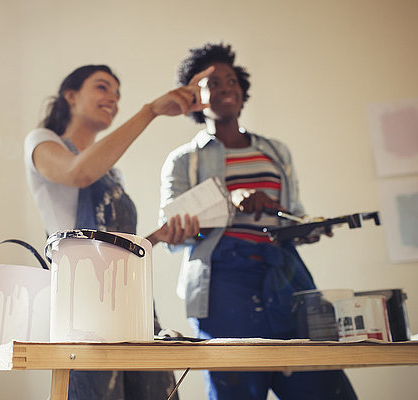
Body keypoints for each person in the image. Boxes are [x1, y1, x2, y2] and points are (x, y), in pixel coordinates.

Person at [159, 43, 358, 400]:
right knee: (237, 391)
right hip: (223, 285)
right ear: (192, 98)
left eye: (231, 80)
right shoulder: (183, 161)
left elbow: (292, 213)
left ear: (242, 89)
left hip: (285, 276)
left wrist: (307, 227)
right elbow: (172, 233)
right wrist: (228, 203)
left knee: (320, 384)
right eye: (212, 83)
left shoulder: (275, 151)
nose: (225, 88)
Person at [24, 64, 208, 399]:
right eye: (103, 87)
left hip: (131, 302)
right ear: (71, 95)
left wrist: (157, 237)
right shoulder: (43, 142)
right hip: (83, 310)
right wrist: (150, 111)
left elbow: (114, 248)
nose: (113, 98)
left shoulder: (113, 174)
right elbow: (79, 173)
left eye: (118, 94)